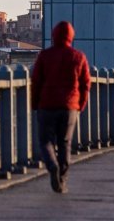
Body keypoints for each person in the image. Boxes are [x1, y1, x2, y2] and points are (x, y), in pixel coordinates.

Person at [31, 21, 91, 194]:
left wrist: (35, 103)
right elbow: (85, 84)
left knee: (45, 141)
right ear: (71, 36)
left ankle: (52, 165)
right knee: (65, 143)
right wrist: (81, 104)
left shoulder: (44, 56)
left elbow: (36, 82)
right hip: (69, 107)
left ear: (54, 35)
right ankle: (62, 179)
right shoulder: (78, 57)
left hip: (47, 105)